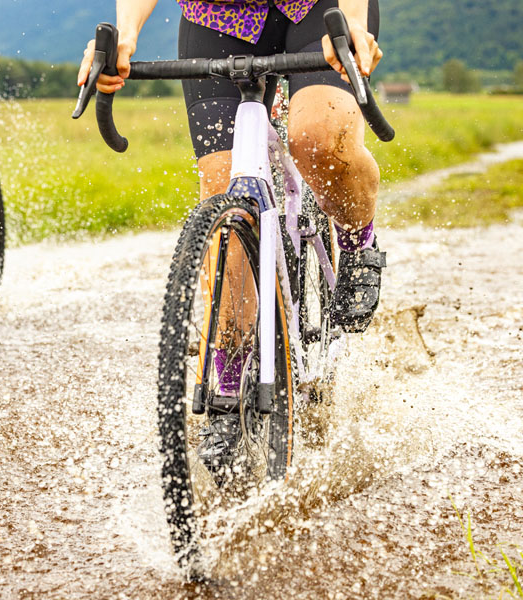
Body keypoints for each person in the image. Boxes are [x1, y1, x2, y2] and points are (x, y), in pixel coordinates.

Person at [78, 0, 387, 467]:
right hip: (218, 17)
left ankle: (356, 241)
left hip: (314, 10)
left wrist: (356, 27)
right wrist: (125, 34)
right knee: (222, 184)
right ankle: (228, 382)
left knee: (318, 139)